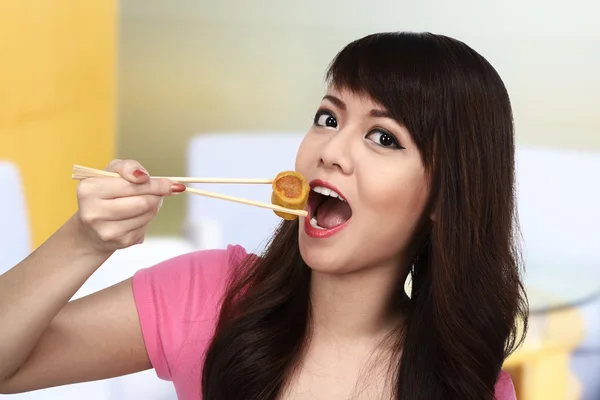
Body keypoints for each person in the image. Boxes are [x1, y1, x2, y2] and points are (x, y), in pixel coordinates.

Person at [0, 31, 528, 399]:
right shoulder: (211, 296)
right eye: (328, 117)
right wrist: (85, 241)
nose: (331, 150)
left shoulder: (467, 384)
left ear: (443, 198)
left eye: (383, 136)